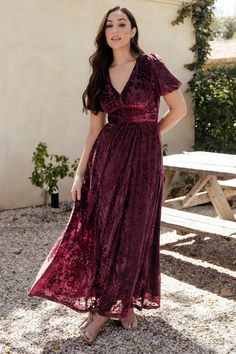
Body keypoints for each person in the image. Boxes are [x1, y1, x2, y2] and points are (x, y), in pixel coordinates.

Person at [27, 6, 187, 344]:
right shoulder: (100, 73)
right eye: (109, 25)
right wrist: (78, 173)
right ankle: (117, 301)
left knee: (134, 231)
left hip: (144, 159)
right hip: (107, 159)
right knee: (105, 230)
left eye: (122, 24)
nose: (115, 30)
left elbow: (179, 109)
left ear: (132, 31)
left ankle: (105, 311)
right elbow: (94, 131)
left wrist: (151, 134)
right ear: (104, 34)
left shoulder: (150, 65)